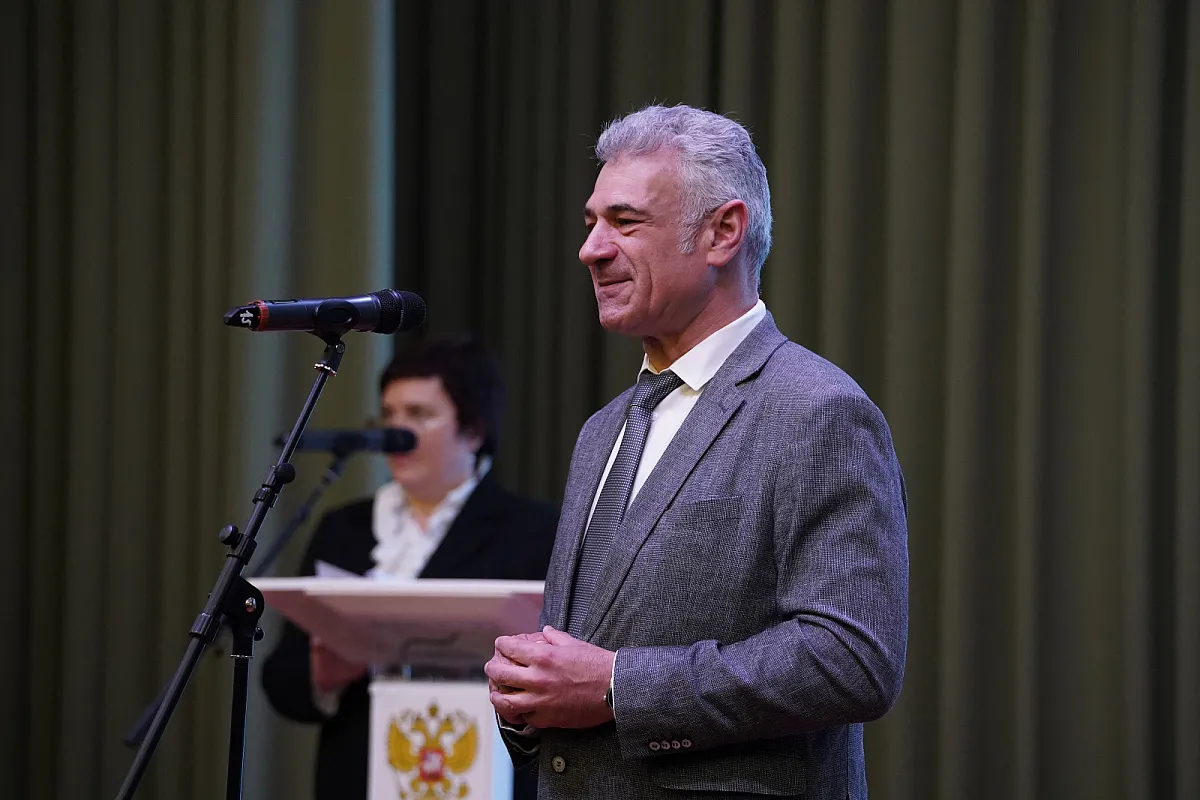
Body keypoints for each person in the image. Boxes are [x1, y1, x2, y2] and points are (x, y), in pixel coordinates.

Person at [485, 104, 909, 799]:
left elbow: (852, 659)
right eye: (591, 223)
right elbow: (581, 661)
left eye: (625, 222)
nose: (591, 249)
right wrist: (529, 697)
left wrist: (619, 688)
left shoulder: (817, 410)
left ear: (723, 233)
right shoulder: (601, 432)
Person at [262, 337, 558, 800]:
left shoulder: (535, 531)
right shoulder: (345, 529)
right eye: (389, 414)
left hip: (484, 775)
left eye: (419, 414)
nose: (396, 431)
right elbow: (281, 682)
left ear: (473, 430)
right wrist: (323, 675)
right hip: (356, 778)